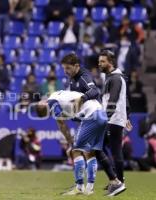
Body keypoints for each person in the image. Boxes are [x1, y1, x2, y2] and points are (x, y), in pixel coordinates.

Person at [61, 53, 125, 196]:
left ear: (77, 66)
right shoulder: (72, 80)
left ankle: (80, 187)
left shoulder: (84, 77)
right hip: (92, 116)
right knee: (93, 151)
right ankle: (108, 183)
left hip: (95, 116)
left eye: (68, 68)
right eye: (64, 69)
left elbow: (94, 91)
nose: (66, 71)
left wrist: (81, 99)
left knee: (75, 150)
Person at [37, 90, 107, 195]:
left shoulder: (51, 102)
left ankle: (79, 187)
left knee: (76, 151)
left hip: (91, 114)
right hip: (101, 113)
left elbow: (61, 123)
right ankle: (89, 188)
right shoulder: (57, 96)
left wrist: (70, 142)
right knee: (90, 152)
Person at [98, 50, 133, 191]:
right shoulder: (112, 77)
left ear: (110, 62)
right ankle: (117, 180)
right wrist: (127, 116)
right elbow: (126, 100)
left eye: (102, 61)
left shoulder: (116, 78)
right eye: (99, 61)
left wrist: (104, 119)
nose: (99, 63)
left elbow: (113, 101)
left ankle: (118, 182)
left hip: (112, 119)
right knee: (103, 148)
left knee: (112, 150)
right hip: (115, 118)